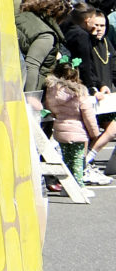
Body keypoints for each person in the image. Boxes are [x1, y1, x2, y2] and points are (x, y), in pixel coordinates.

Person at [40, 53, 113, 192]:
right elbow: (88, 116)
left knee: (67, 160)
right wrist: (94, 133)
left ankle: (67, 188)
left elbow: (50, 108)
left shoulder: (52, 91)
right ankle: (79, 187)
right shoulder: (80, 93)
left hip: (60, 131)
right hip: (78, 131)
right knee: (78, 161)